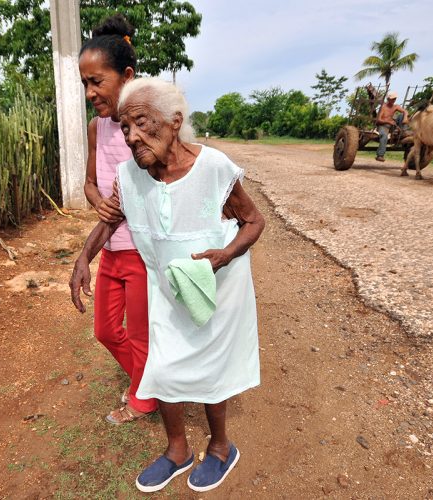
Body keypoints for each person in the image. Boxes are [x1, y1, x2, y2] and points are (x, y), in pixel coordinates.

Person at [69, 78, 265, 493]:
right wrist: (84, 259)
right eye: (125, 128)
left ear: (174, 122)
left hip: (216, 287)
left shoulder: (213, 168)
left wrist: (224, 255)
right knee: (164, 365)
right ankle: (177, 450)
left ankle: (220, 448)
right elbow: (109, 222)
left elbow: (254, 221)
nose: (132, 137)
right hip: (165, 288)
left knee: (213, 367)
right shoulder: (129, 175)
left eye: (141, 123)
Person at [78, 14, 157, 424]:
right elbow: (90, 183)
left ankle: (143, 397)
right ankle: (152, 383)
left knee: (142, 335)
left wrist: (82, 253)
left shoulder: (143, 126)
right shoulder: (96, 128)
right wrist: (98, 202)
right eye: (85, 84)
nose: (91, 92)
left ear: (126, 76)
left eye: (97, 81)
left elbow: (140, 195)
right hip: (111, 249)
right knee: (106, 331)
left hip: (141, 251)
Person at [375, 90, 409, 162]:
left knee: (402, 115)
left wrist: (405, 117)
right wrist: (389, 121)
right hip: (382, 126)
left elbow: (405, 111)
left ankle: (403, 131)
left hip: (391, 126)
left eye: (395, 99)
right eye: (392, 99)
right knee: (384, 136)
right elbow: (378, 120)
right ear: (388, 99)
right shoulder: (383, 107)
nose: (394, 100)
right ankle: (380, 155)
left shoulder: (395, 106)